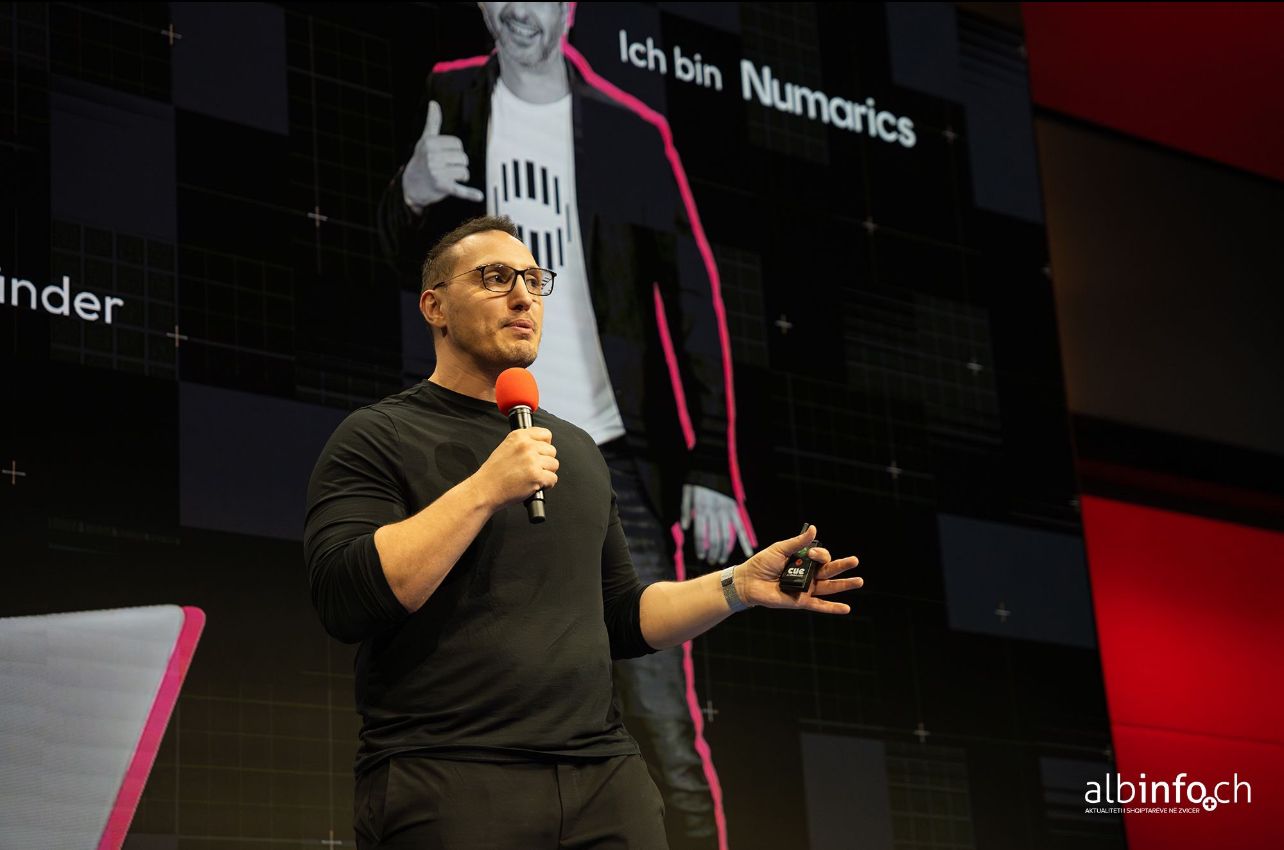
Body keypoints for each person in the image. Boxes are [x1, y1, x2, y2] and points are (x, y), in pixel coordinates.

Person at [305, 215, 863, 848]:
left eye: (534, 280)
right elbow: (347, 599)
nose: (523, 296)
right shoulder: (378, 437)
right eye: (494, 278)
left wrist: (738, 585)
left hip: (602, 780)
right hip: (449, 775)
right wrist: (486, 489)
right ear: (434, 305)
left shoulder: (576, 449)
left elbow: (620, 617)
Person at [375, 6, 752, 843]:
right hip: (480, 454)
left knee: (660, 723)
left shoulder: (629, 134)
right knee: (482, 711)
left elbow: (692, 300)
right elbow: (404, 267)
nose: (519, 10)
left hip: (612, 460)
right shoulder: (451, 101)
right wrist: (410, 191)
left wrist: (711, 463)